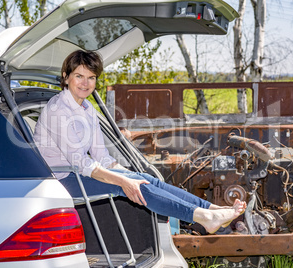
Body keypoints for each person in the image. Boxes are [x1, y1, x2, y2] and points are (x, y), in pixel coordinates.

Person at [33, 50, 246, 234]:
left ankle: (211, 209)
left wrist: (129, 175)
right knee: (128, 187)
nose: (85, 83)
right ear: (66, 76)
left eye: (91, 77)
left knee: (145, 179)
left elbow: (101, 157)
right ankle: (203, 218)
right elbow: (81, 163)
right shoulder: (57, 110)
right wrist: (123, 181)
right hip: (61, 179)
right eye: (79, 76)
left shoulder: (87, 109)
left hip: (78, 173)